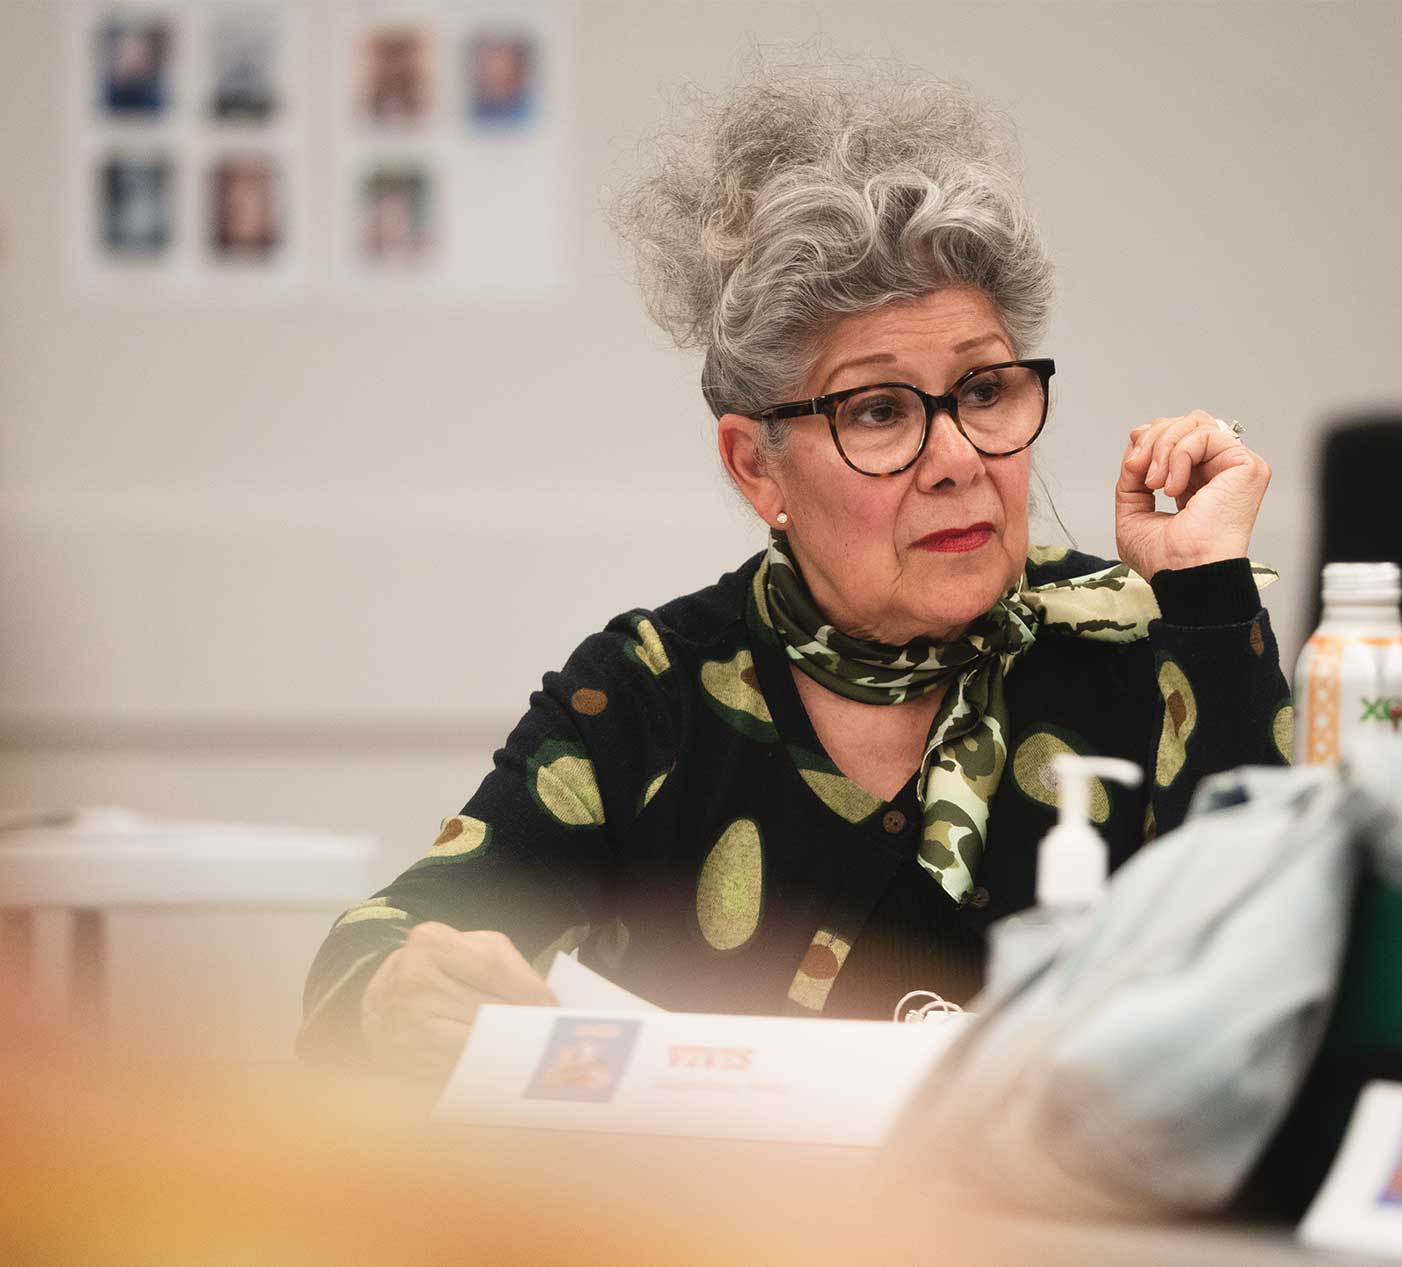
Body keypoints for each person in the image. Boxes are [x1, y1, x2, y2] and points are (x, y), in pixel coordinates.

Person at [300, 64, 1292, 1077]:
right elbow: (374, 951)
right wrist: (399, 998)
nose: (958, 459)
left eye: (985, 390)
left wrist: (1206, 594)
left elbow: (1294, 967)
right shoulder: (651, 696)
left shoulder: (1140, 644)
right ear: (755, 465)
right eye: (879, 410)